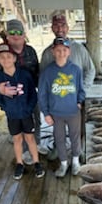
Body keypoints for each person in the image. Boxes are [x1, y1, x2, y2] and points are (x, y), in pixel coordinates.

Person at [40, 13, 96, 160]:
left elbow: (90, 70)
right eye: (56, 25)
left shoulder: (79, 49)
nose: (60, 28)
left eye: (63, 25)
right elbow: (43, 79)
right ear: (52, 28)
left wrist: (82, 90)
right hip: (56, 101)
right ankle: (59, 148)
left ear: (68, 27)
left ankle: (80, 149)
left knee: (79, 127)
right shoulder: (47, 53)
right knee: (57, 128)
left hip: (76, 98)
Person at [0, 19, 48, 165]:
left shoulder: (31, 51)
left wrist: (43, 91)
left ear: (24, 34)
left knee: (36, 119)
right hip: (11, 99)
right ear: (7, 35)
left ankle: (36, 144)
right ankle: (25, 151)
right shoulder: (1, 53)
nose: (15, 35)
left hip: (31, 94)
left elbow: (37, 73)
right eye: (11, 32)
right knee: (17, 125)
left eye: (18, 32)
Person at [38, 37, 85, 177]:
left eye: (64, 50)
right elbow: (42, 94)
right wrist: (46, 113)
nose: (61, 53)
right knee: (59, 139)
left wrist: (79, 102)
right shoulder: (47, 72)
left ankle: (76, 162)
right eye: (58, 50)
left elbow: (81, 90)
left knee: (75, 137)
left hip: (73, 112)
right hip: (55, 114)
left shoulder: (76, 70)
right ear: (53, 51)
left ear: (69, 51)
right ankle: (63, 163)